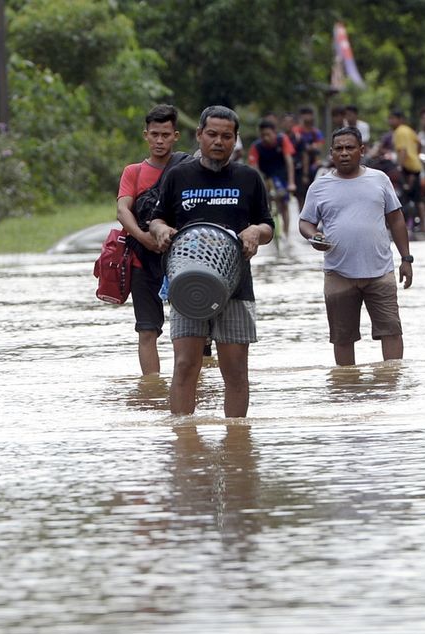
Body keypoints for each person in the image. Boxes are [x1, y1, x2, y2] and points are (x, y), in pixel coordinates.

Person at [149, 106, 274, 417]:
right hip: (187, 283)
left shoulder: (249, 178)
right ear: (199, 135)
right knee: (184, 365)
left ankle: (236, 445)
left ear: (235, 140)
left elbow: (268, 226)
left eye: (226, 136)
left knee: (235, 372)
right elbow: (157, 219)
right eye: (212, 134)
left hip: (235, 287)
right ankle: (183, 441)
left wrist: (255, 231)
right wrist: (161, 229)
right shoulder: (178, 175)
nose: (219, 141)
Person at [299, 126, 413, 366]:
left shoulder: (379, 179)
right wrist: (314, 236)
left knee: (391, 330)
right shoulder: (319, 186)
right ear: (331, 153)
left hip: (380, 271)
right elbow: (305, 222)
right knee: (342, 336)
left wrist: (406, 259)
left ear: (361, 151)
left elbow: (396, 219)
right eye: (338, 149)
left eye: (349, 148)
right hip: (338, 272)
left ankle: (392, 384)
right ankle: (346, 390)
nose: (344, 153)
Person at [116, 103, 184, 375]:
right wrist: (144, 238)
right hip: (141, 260)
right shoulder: (133, 172)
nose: (159, 140)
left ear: (175, 136)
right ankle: (152, 389)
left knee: (190, 331)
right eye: (154, 134)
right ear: (145, 135)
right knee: (147, 330)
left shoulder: (187, 168)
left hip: (180, 259)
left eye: (165, 135)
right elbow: (123, 210)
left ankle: (191, 386)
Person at [247, 118, 296, 237]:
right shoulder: (256, 147)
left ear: (274, 132)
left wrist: (291, 182)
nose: (265, 138)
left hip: (281, 175)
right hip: (265, 175)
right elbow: (254, 168)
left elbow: (289, 161)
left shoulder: (282, 140)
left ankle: (286, 234)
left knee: (284, 204)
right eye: (262, 135)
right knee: (265, 204)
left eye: (268, 134)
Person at [387, 109, 423, 236]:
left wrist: (399, 167)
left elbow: (402, 151)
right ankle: (423, 227)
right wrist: (416, 155)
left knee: (404, 198)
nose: (390, 121)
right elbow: (419, 144)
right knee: (418, 199)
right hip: (416, 166)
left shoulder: (399, 132)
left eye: (392, 118)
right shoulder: (409, 130)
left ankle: (406, 226)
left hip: (407, 168)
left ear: (400, 119)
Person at [291, 106, 325, 209]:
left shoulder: (316, 132)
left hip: (312, 166)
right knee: (300, 195)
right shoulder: (295, 131)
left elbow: (319, 147)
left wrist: (309, 148)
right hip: (298, 166)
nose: (307, 117)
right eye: (304, 114)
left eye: (309, 114)